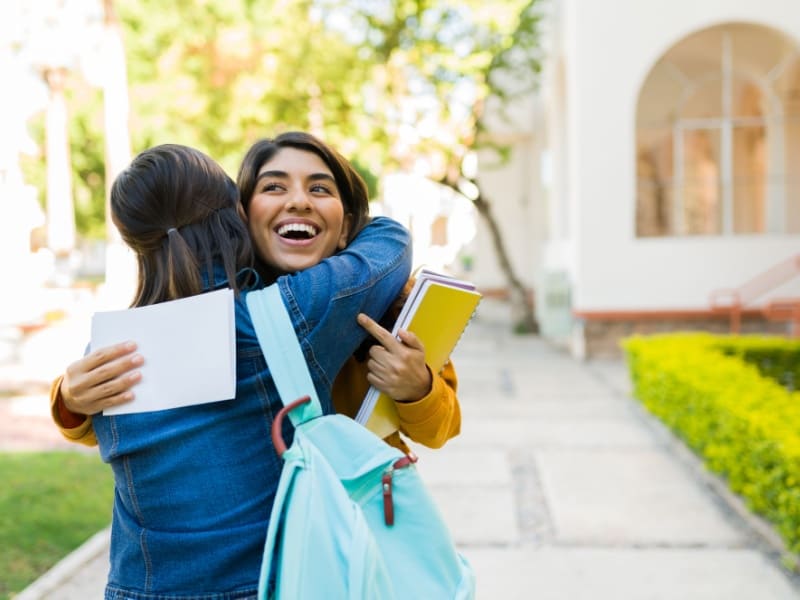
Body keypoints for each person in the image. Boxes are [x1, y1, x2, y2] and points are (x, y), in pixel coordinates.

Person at [53, 142, 412, 598]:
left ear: (132, 240)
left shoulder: (106, 350)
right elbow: (391, 242)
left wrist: (65, 398)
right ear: (235, 215)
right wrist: (341, 222)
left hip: (141, 587)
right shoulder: (287, 313)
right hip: (265, 583)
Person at [53, 132, 461, 454]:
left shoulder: (394, 309)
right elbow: (128, 414)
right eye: (274, 188)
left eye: (320, 189)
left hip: (359, 526)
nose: (299, 201)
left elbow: (442, 429)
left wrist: (418, 387)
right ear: (242, 217)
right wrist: (71, 398)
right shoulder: (222, 310)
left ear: (345, 228)